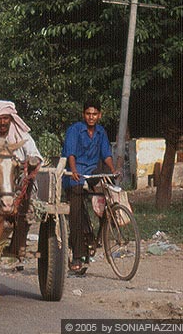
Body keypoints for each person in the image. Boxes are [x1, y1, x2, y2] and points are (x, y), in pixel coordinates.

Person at [0, 100, 43, 260]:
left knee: (27, 205)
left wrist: (28, 163)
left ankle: (20, 242)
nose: (3, 122)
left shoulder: (23, 136)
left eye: (6, 118)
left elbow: (36, 156)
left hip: (18, 184)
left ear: (11, 118)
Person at [62, 100, 117, 272]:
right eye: (88, 114)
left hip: (92, 171)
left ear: (99, 115)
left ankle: (100, 234)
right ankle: (77, 255)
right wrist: (73, 170)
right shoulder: (75, 130)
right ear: (83, 115)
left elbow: (106, 154)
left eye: (94, 114)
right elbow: (70, 153)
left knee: (110, 191)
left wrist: (113, 170)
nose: (91, 117)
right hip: (76, 172)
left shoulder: (101, 132)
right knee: (76, 213)